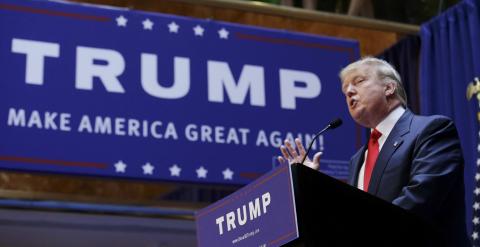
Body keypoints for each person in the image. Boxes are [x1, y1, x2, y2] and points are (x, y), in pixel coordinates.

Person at [278, 57, 469, 246]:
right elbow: (351, 215)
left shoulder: (432, 130)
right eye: (345, 91)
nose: (350, 92)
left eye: (358, 81)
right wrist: (312, 182)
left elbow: (419, 199)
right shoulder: (357, 159)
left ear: (389, 88)